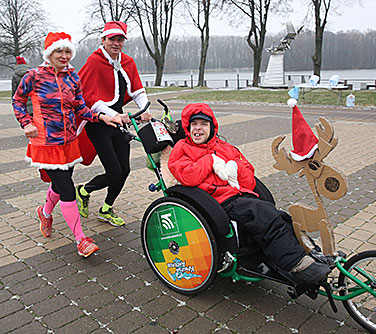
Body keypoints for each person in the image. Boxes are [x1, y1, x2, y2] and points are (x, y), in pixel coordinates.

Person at [168, 103, 332, 286]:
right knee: (261, 212)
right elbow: (187, 176)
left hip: (241, 195)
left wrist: (235, 167)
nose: (198, 128)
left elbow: (249, 179)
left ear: (212, 128)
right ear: (188, 128)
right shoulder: (181, 148)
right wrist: (210, 160)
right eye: (194, 124)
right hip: (215, 201)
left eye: (203, 124)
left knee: (281, 217)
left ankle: (311, 255)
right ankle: (297, 265)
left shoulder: (227, 148)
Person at [12, 32, 122, 257]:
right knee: (67, 191)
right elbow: (18, 101)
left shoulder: (73, 78)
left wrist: (102, 117)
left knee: (61, 184)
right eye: (59, 51)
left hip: (69, 142)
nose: (64, 55)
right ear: (49, 53)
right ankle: (81, 240)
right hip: (46, 143)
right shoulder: (33, 77)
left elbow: (81, 108)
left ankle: (44, 211)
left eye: (67, 51)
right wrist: (26, 123)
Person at [75, 21, 152, 226]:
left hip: (118, 122)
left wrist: (145, 110)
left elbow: (137, 90)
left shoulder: (127, 61)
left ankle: (106, 208)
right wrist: (115, 115)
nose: (116, 43)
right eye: (112, 39)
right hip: (98, 124)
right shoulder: (94, 61)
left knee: (124, 171)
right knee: (114, 172)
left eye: (120, 39)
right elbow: (89, 97)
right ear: (103, 39)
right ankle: (83, 191)